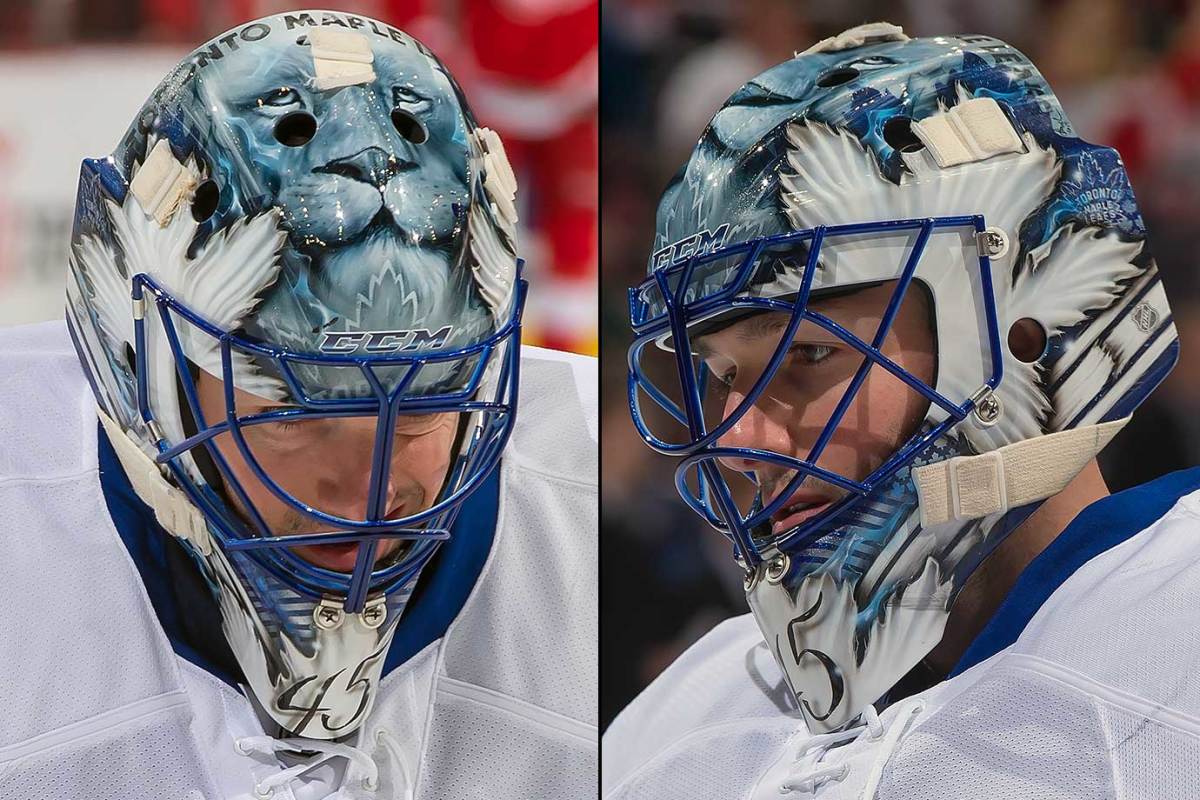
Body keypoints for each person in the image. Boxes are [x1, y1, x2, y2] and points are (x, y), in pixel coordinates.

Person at [0, 11, 596, 799]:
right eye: (294, 412)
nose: (363, 488)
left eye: (420, 404)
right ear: (144, 364)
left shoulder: (581, 498)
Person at [605, 22, 1196, 798]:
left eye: (808, 355)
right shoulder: (683, 721)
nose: (738, 439)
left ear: (1025, 324)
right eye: (721, 375)